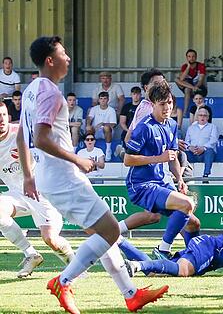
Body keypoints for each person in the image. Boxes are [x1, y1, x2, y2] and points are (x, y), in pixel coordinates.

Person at [17, 36, 168, 313]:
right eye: (63, 53)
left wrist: (28, 176)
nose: (68, 58)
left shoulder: (30, 90)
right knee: (110, 231)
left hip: (50, 177)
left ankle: (131, 294)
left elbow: (21, 136)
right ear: (50, 60)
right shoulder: (49, 91)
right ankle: (63, 281)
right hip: (63, 176)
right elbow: (40, 137)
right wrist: (78, 158)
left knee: (103, 233)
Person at [123, 81, 201, 260]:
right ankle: (163, 250)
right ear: (153, 104)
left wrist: (179, 178)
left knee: (193, 223)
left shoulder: (172, 125)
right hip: (141, 184)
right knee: (186, 205)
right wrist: (159, 158)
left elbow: (172, 156)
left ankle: (194, 258)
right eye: (162, 103)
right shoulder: (145, 127)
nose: (167, 107)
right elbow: (128, 160)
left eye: (170, 103)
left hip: (161, 181)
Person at [0, 101, 76, 279]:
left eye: (3, 115)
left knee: (51, 239)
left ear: (8, 117)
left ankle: (76, 267)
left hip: (41, 191)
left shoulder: (21, 131)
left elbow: (47, 142)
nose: (1, 120)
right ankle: (30, 254)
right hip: (17, 194)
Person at [184, 106, 219, 183]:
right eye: (200, 115)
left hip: (205, 153)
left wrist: (203, 148)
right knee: (182, 154)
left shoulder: (213, 127)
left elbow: (213, 140)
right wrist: (190, 147)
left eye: (205, 115)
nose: (202, 117)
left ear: (208, 117)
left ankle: (205, 176)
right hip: (192, 153)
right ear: (197, 116)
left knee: (209, 151)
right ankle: (184, 177)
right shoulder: (191, 128)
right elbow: (186, 142)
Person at [175, 49, 207, 118]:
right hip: (190, 88)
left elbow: (201, 80)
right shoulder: (185, 66)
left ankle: (185, 111)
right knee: (177, 79)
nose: (191, 58)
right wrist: (188, 67)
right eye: (189, 56)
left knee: (187, 89)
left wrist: (195, 87)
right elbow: (181, 79)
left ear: (196, 57)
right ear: (186, 58)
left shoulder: (201, 66)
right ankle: (185, 112)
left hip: (199, 89)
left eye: (193, 56)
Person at [87, 91, 117, 161]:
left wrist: (103, 124)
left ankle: (108, 150)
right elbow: (89, 118)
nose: (103, 100)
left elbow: (113, 124)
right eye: (101, 98)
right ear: (98, 100)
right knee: (89, 128)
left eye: (105, 98)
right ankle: (89, 150)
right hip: (96, 131)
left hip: (107, 132)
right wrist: (88, 125)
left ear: (108, 99)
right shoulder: (94, 109)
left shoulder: (111, 110)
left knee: (106, 128)